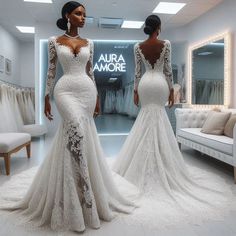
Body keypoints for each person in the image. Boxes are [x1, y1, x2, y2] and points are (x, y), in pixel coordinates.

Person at [0, 1, 135, 233]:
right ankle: (83, 195)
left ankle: (83, 191)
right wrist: (44, 97)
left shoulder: (89, 43)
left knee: (81, 137)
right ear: (67, 15)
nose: (83, 17)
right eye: (78, 13)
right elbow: (51, 70)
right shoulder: (54, 41)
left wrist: (98, 99)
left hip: (86, 91)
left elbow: (91, 71)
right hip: (64, 91)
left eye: (84, 14)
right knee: (75, 132)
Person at [112, 15, 229, 221]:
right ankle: (160, 160)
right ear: (158, 27)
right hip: (159, 84)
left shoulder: (137, 46)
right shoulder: (165, 44)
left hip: (146, 83)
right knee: (158, 117)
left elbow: (138, 72)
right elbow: (168, 71)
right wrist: (171, 92)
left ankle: (142, 161)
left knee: (145, 117)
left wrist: (136, 91)